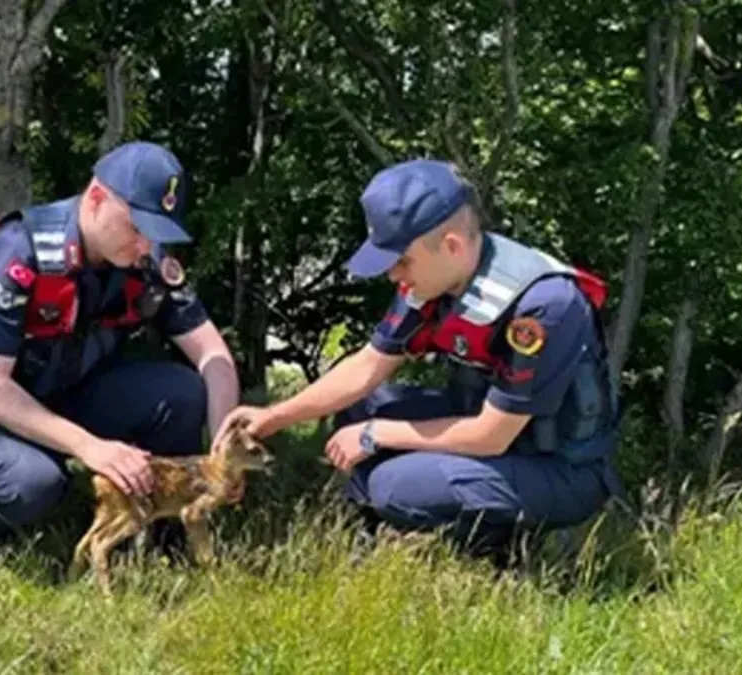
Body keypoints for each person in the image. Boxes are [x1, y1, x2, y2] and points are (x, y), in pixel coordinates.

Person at [218, 159, 623, 561]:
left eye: (402, 261)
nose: (394, 276)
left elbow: (490, 436)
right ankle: (375, 532)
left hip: (556, 466)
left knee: (395, 485)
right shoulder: (433, 279)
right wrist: (274, 416)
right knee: (361, 405)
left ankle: (503, 547)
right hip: (487, 430)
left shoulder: (542, 306)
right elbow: (366, 367)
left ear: (451, 245)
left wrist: (375, 434)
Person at [0, 141, 240, 540]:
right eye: (137, 227)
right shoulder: (14, 253)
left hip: (75, 391)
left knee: (185, 392)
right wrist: (90, 448)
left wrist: (222, 449)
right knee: (31, 483)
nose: (146, 245)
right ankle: (0, 536)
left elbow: (212, 353)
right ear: (95, 199)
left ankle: (164, 534)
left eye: (156, 232)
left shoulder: (144, 260)